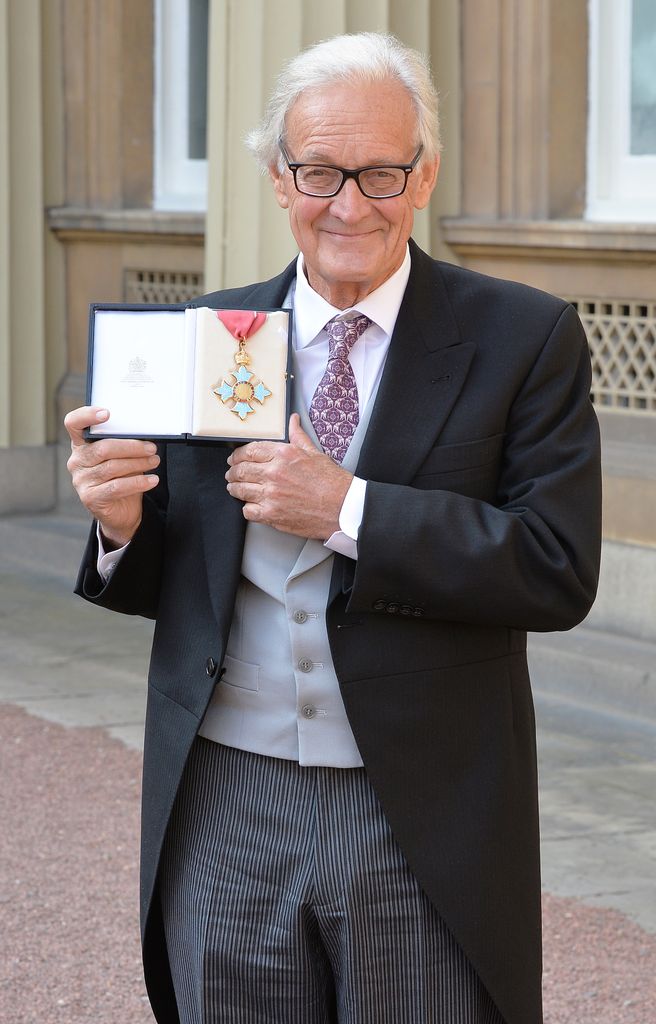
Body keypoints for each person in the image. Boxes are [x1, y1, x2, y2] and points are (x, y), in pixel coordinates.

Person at [65, 32, 601, 1024]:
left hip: (420, 807)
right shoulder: (203, 339)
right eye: (318, 170)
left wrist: (347, 509)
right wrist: (118, 523)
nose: (348, 204)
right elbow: (171, 580)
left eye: (380, 172)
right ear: (278, 177)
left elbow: (554, 568)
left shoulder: (521, 337)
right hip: (224, 797)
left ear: (425, 173)